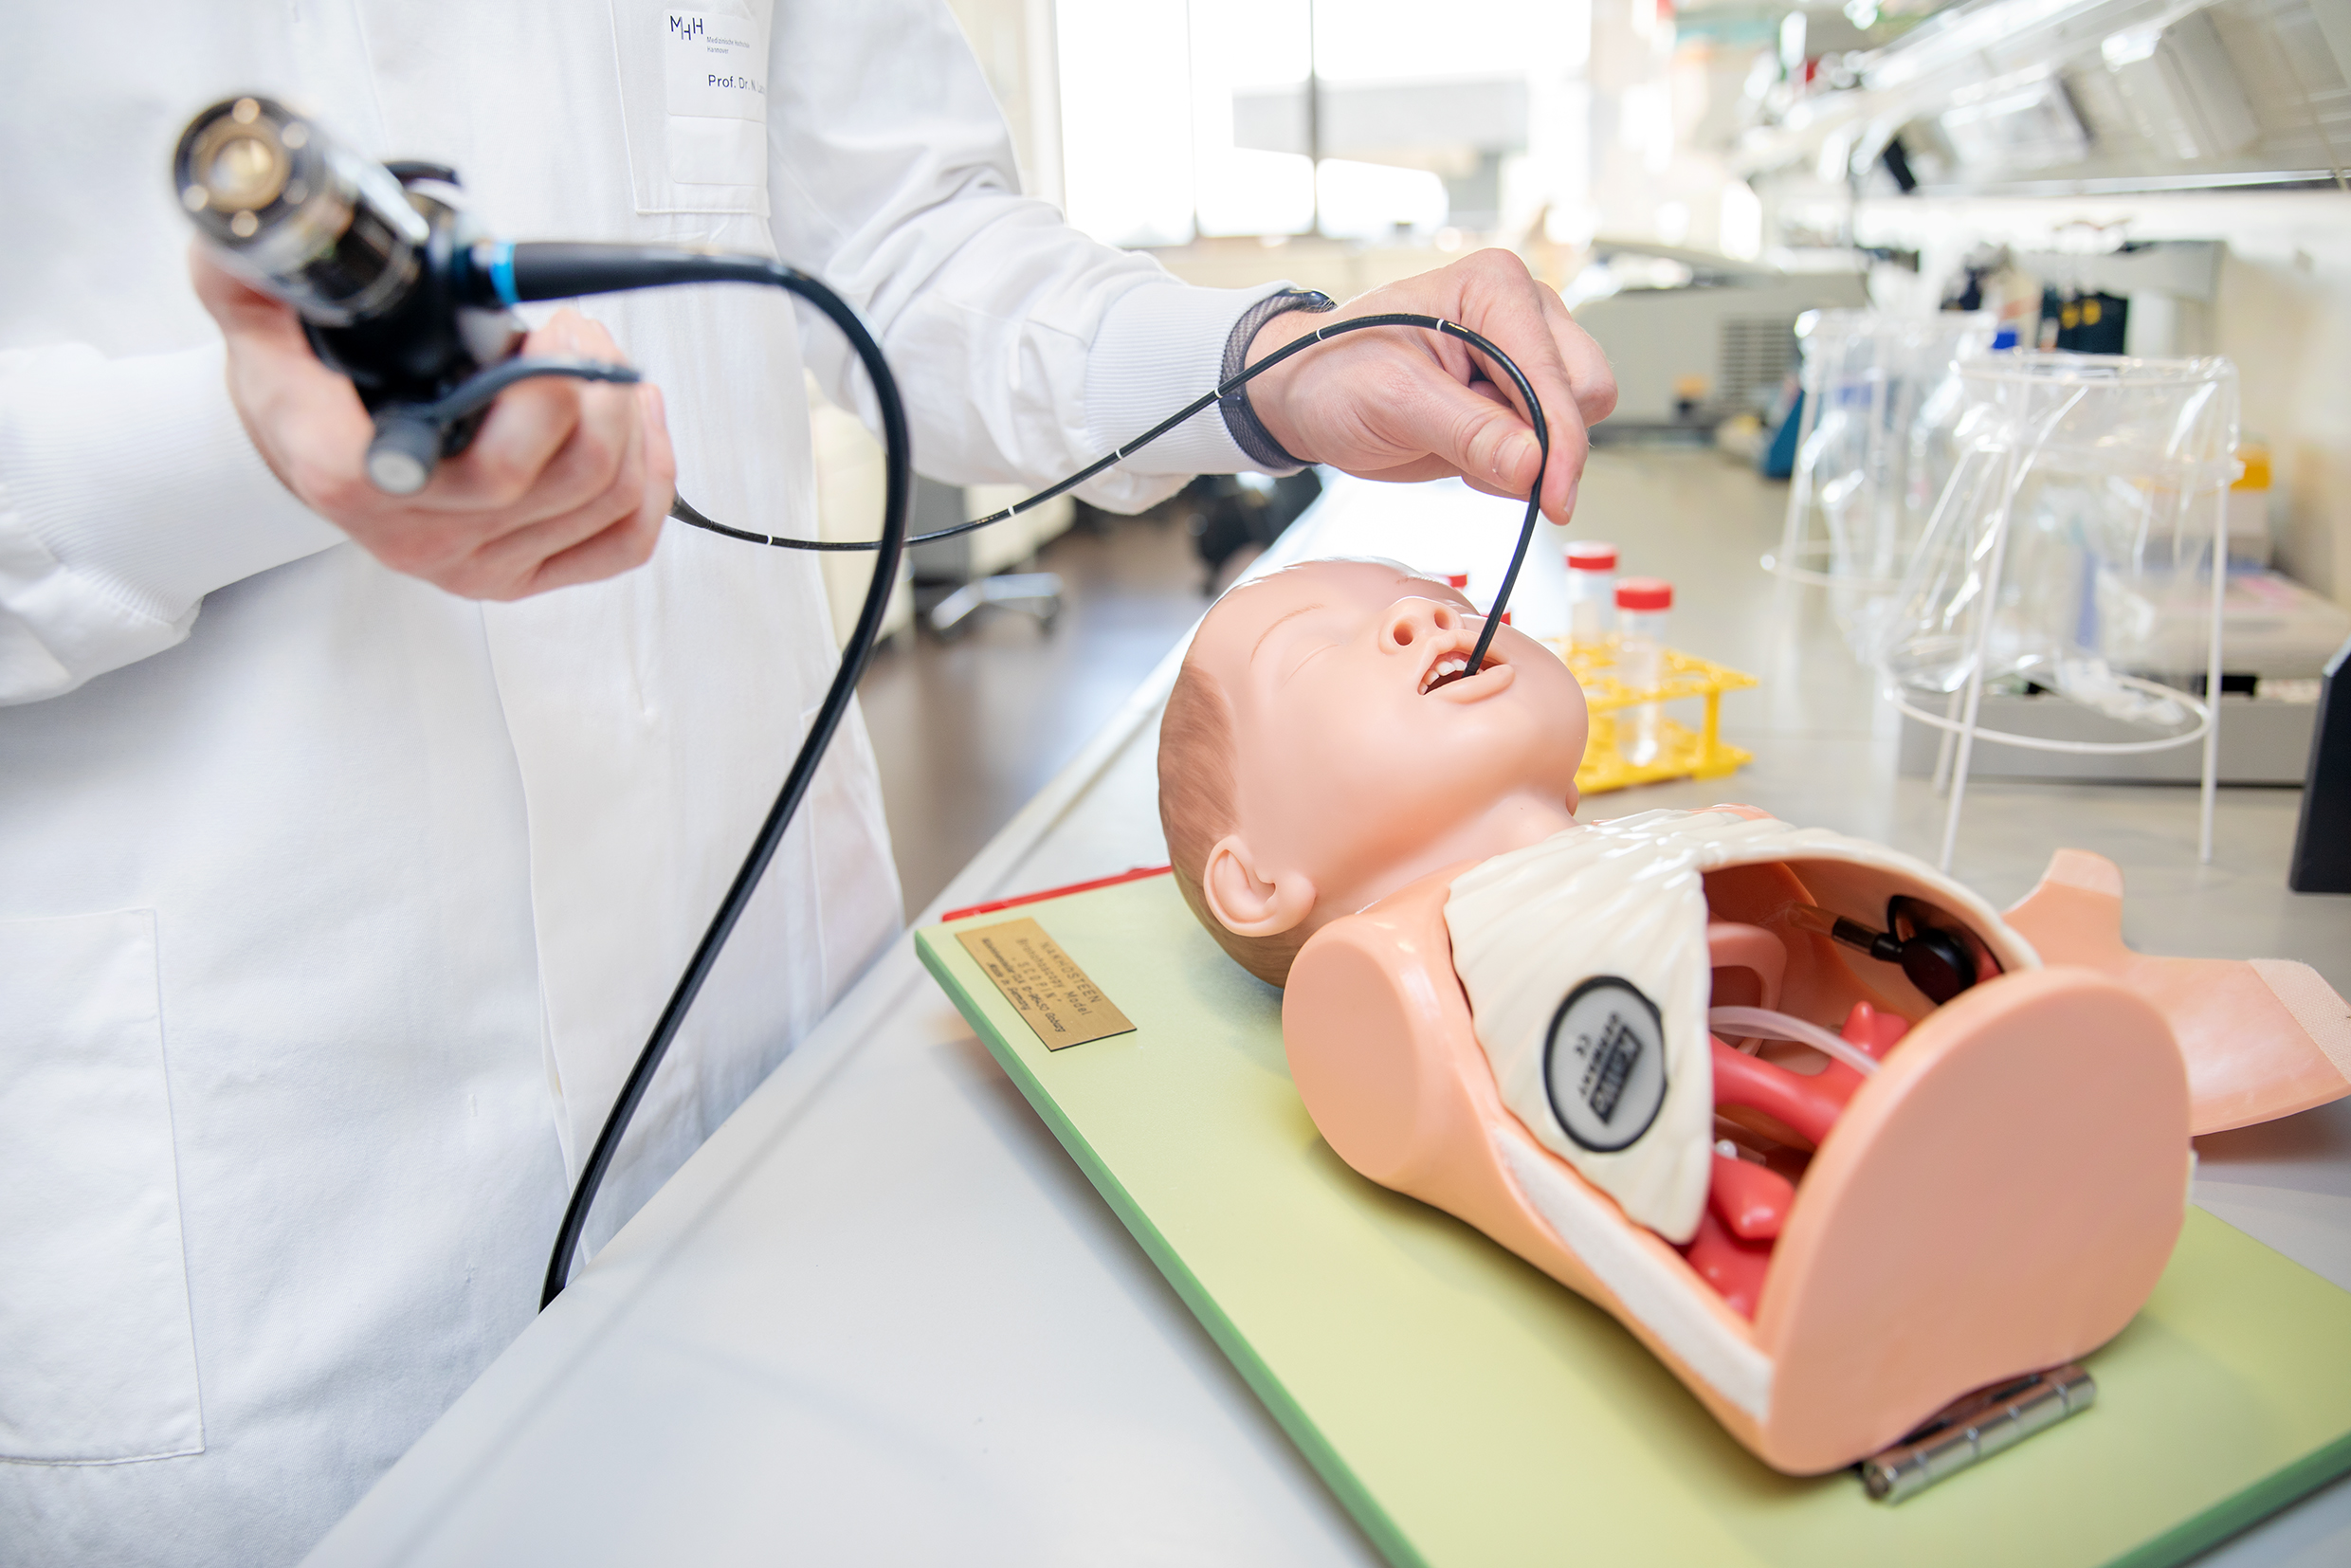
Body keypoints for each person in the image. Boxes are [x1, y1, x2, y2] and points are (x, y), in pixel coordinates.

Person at [0, 4, 1616, 1563]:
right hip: (280, 1193)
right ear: (1246, 883)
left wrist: (1261, 358)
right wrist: (226, 453)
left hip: (772, 1020)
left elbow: (903, 234)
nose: (1418, 606)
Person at [1152, 556, 2351, 1471]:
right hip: (1754, 1226)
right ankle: (1833, 1233)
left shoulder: (1711, 842)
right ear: (1258, 882)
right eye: (1323, 654)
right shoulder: (1384, 972)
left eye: (1430, 593)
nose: (1416, 616)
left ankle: (1999, 1076)